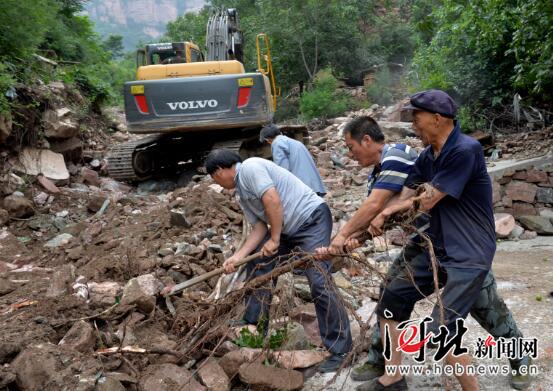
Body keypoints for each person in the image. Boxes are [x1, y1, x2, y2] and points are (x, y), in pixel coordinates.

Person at [204, 149, 351, 372]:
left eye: (215, 178)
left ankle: (340, 349)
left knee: (319, 280)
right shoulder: (242, 193)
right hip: (288, 229)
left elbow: (272, 199)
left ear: (221, 170)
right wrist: (238, 257)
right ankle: (253, 322)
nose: (219, 183)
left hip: (311, 220)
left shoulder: (250, 168)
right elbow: (259, 227)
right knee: (260, 263)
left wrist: (274, 239)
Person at [259, 124, 326, 196]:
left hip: (303, 188)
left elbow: (283, 170)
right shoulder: (294, 142)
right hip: (314, 185)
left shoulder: (277, 143)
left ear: (268, 139)